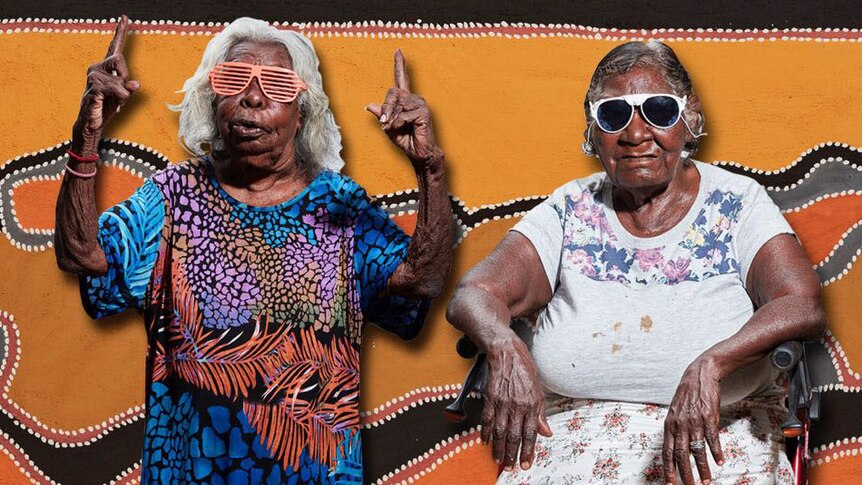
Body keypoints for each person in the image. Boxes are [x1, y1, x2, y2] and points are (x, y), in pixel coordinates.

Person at [54, 16, 453, 484]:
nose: (253, 95)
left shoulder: (340, 206)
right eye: (233, 79)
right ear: (212, 98)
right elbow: (82, 255)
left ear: (302, 111)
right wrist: (86, 137)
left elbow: (421, 279)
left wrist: (429, 171)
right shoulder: (172, 197)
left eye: (278, 83)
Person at [446, 41, 825, 485]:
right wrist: (502, 345)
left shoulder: (737, 203)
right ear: (592, 130)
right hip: (571, 443)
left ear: (689, 119)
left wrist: (714, 363)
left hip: (719, 435)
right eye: (613, 115)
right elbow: (475, 294)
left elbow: (802, 304)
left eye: (659, 110)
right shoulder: (570, 208)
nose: (635, 134)